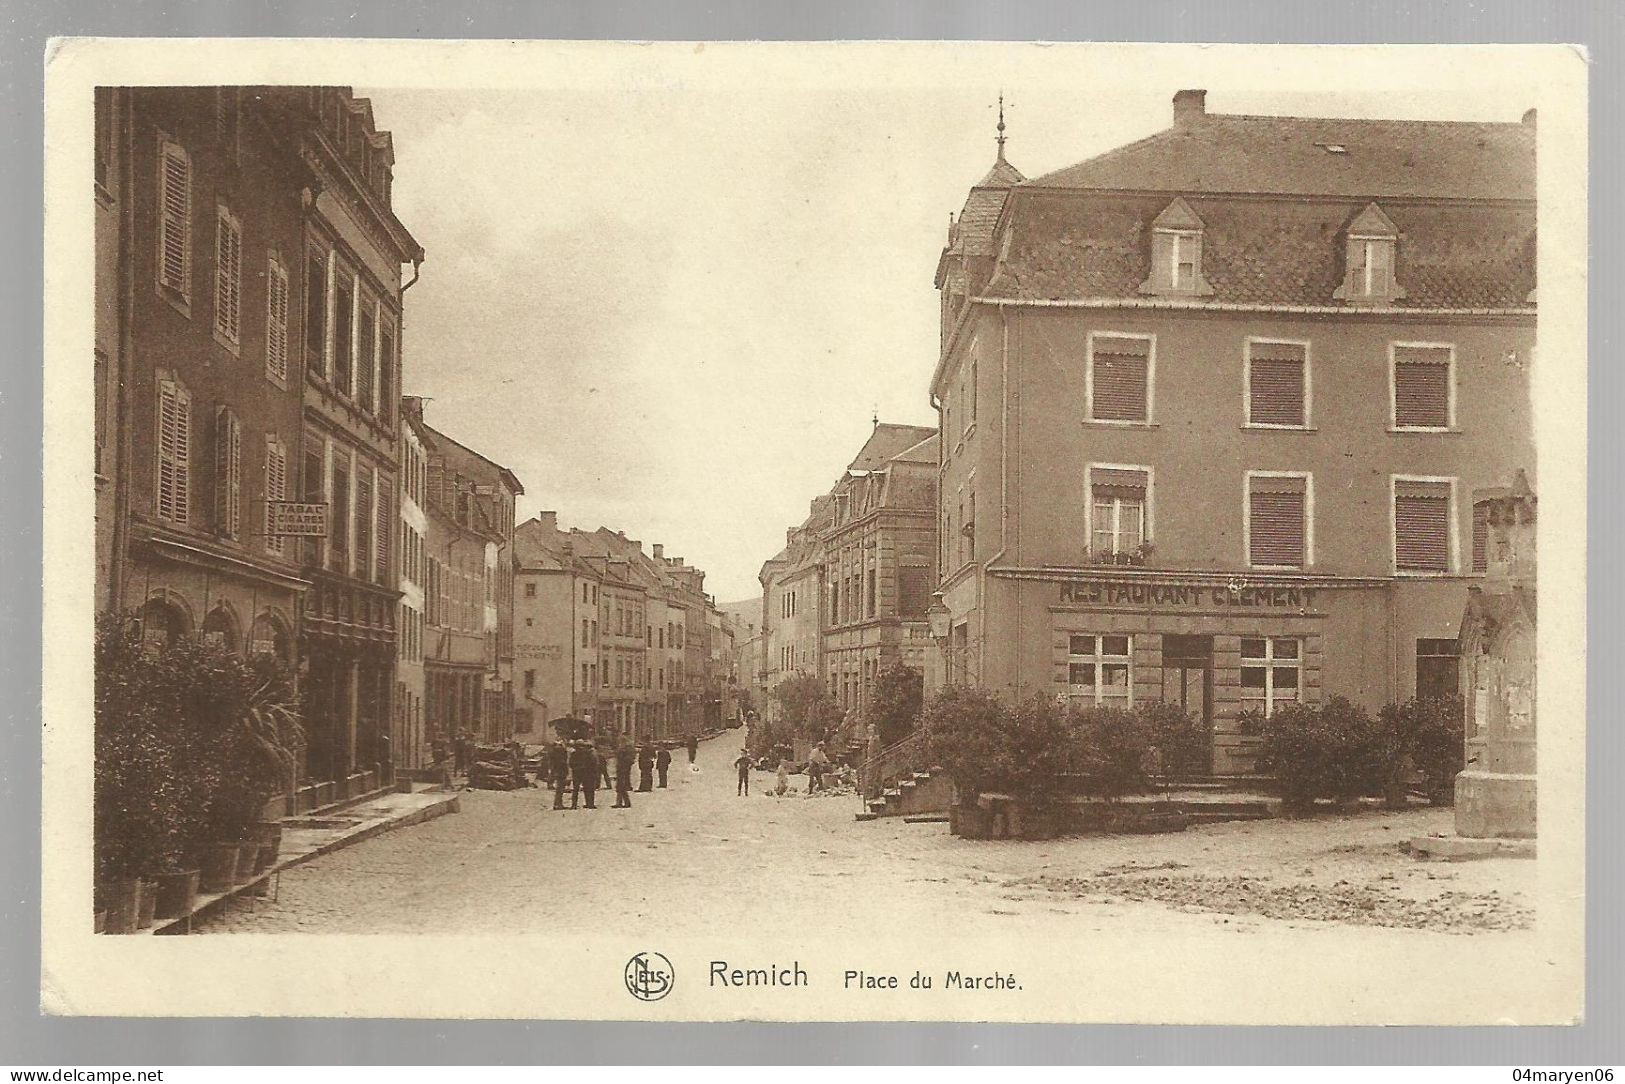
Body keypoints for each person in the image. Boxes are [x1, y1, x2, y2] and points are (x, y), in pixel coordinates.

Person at [569, 742, 598, 810]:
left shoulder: (575, 754)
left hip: (578, 773)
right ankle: (589, 804)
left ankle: (574, 805)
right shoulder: (586, 753)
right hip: (584, 773)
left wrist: (576, 768)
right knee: (587, 789)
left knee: (576, 790)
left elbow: (571, 764)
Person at [612, 741, 636, 808]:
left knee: (621, 787)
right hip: (621, 771)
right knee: (620, 787)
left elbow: (623, 764)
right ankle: (621, 802)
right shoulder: (625, 756)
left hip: (621, 771)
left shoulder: (623, 757)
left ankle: (623, 802)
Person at [549, 742, 571, 810]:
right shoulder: (561, 760)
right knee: (560, 789)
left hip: (557, 773)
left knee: (559, 789)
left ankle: (558, 804)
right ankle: (558, 804)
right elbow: (564, 766)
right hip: (561, 774)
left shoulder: (554, 757)